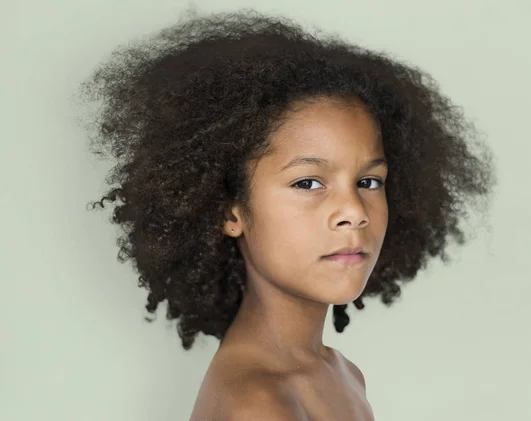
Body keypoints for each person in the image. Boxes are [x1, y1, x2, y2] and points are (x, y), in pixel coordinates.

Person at [78, 7, 495, 420]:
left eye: (369, 182)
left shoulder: (341, 374)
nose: (353, 212)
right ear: (229, 209)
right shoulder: (258, 406)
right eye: (308, 183)